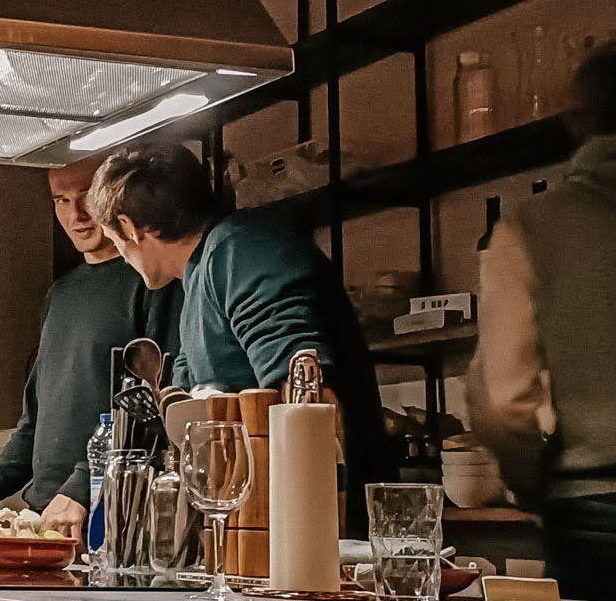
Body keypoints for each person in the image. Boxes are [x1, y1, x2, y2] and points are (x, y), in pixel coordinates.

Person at [467, 39, 616, 601]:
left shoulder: (536, 227)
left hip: (600, 506)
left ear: (579, 120)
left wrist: (531, 483)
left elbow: (502, 399)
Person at [86, 142, 390, 517]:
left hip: (318, 526)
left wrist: (308, 532)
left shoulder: (239, 252)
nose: (120, 253)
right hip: (256, 524)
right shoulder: (198, 279)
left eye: (112, 239)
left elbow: (310, 395)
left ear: (129, 228)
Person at [0, 158, 183, 550]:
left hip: (117, 522)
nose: (76, 214)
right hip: (46, 522)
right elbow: (33, 422)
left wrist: (81, 487)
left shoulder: (154, 282)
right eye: (61, 200)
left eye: (86, 197)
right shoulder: (60, 295)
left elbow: (152, 409)